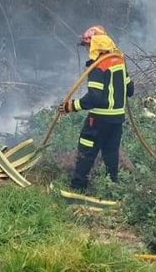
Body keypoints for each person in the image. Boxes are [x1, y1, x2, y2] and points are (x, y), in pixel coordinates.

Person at [58, 25, 134, 191]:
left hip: (99, 119)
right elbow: (130, 90)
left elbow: (94, 97)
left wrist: (71, 106)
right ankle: (112, 187)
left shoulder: (98, 66)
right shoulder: (119, 61)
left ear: (95, 45)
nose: (87, 49)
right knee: (111, 152)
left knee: (86, 150)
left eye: (88, 46)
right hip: (117, 119)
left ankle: (77, 187)